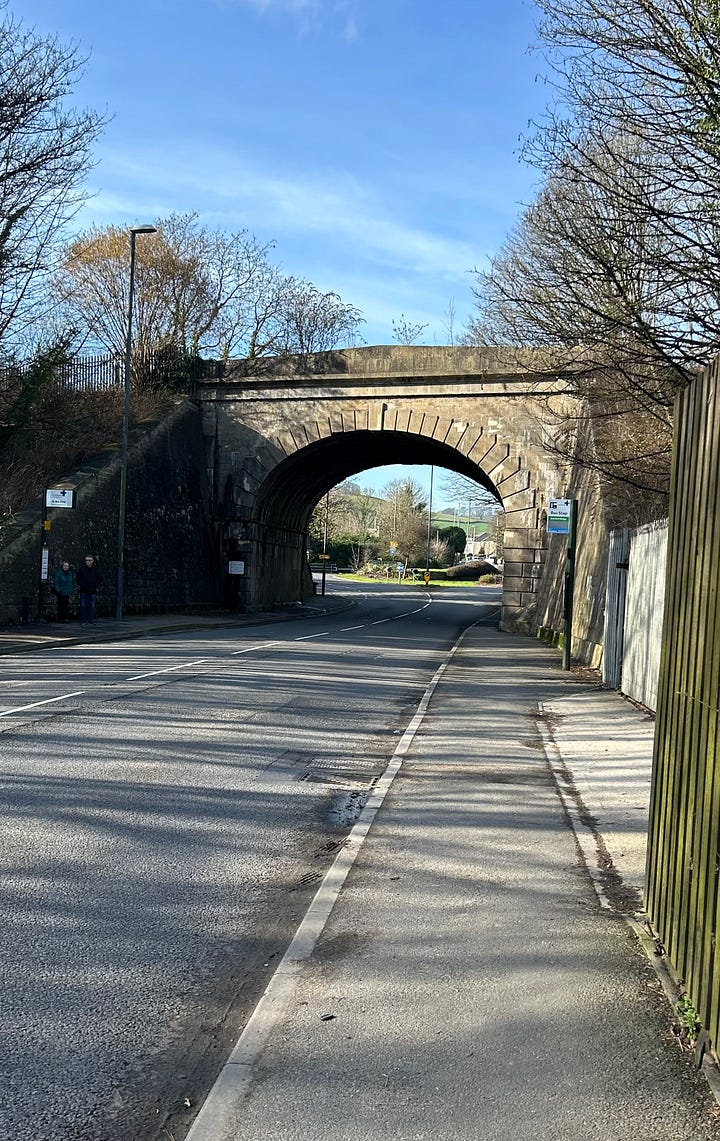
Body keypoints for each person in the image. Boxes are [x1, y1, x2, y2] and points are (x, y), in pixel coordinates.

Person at [76, 554, 102, 625]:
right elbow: (78, 579)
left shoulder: (95, 570)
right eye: (86, 560)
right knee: (83, 606)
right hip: (84, 590)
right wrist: (83, 586)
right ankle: (83, 620)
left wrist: (95, 586)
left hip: (92, 591)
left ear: (92, 561)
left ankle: (90, 620)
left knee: (92, 606)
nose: (87, 562)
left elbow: (99, 579)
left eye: (89, 560)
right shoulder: (81, 569)